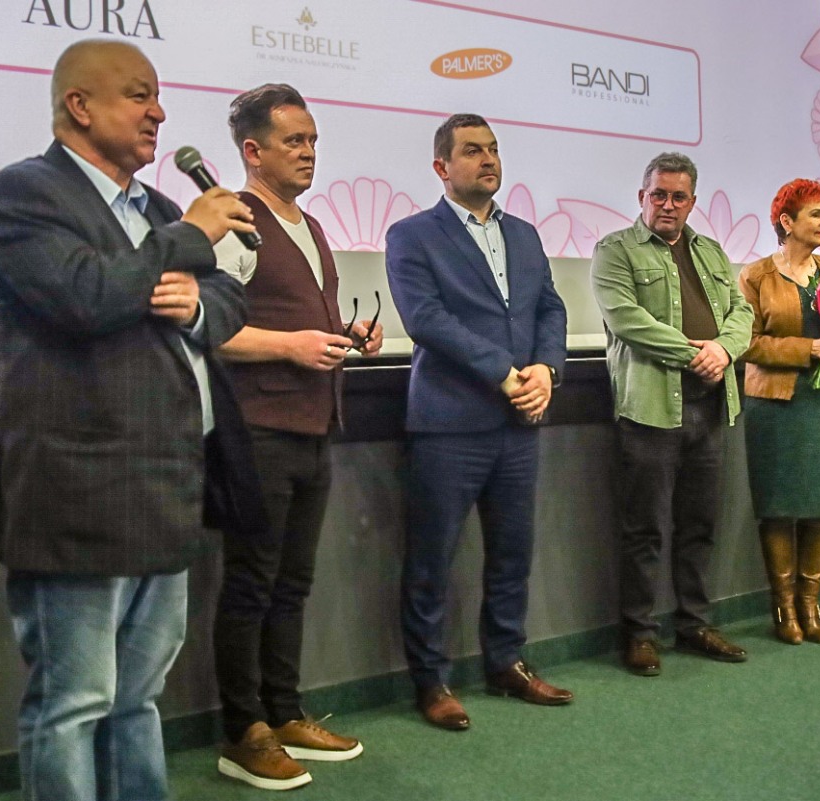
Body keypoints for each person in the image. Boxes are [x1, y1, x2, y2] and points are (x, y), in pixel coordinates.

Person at [0, 40, 261, 801]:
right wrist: (187, 239)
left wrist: (196, 302)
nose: (159, 112)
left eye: (157, 96)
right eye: (139, 95)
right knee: (73, 703)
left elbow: (228, 298)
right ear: (80, 106)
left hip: (165, 486)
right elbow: (84, 296)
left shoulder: (159, 210)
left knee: (138, 698)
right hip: (78, 494)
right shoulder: (25, 194)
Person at [211, 84, 383, 790]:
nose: (310, 152)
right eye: (294, 141)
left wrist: (345, 334)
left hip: (314, 426)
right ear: (253, 151)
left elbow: (295, 317)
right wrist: (290, 345)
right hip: (257, 430)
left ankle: (284, 712)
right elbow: (210, 329)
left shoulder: (309, 224)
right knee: (251, 583)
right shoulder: (231, 221)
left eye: (313, 140)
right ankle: (242, 730)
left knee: (293, 582)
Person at [385, 113, 570, 730]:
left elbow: (549, 308)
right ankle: (431, 681)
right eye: (472, 151)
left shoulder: (524, 234)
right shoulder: (411, 235)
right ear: (442, 167)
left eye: (492, 149)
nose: (488, 159)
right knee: (432, 561)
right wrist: (504, 373)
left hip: (519, 424)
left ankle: (506, 662)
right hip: (449, 423)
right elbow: (425, 319)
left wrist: (545, 369)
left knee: (513, 553)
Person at [591, 153, 755, 676]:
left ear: (692, 202)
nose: (667, 204)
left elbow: (742, 313)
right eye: (658, 194)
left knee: (699, 526)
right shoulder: (615, 250)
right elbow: (626, 320)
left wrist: (724, 350)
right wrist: (694, 354)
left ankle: (694, 625)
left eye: (678, 196)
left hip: (710, 408)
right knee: (644, 530)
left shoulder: (710, 251)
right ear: (642, 197)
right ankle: (639, 635)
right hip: (650, 411)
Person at [738, 178, 820, 646]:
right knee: (778, 507)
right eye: (815, 214)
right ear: (786, 222)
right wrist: (807, 348)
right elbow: (746, 343)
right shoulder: (756, 276)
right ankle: (783, 607)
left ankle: (811, 604)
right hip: (776, 404)